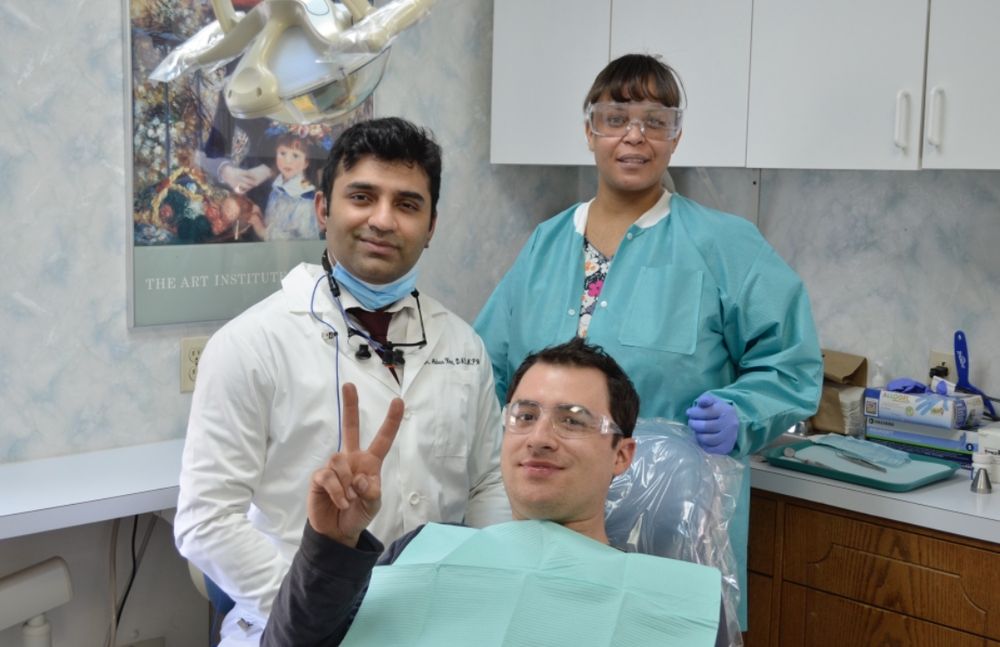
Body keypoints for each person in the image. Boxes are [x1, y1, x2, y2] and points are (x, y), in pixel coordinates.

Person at [473, 53, 823, 628]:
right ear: (590, 131)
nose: (634, 136)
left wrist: (742, 411)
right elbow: (486, 370)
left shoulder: (725, 246)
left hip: (671, 523)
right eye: (615, 119)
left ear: (675, 137)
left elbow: (791, 363)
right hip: (549, 522)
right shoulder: (545, 244)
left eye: (655, 121)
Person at [175, 117, 511, 647]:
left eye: (407, 204)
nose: (383, 219)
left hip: (433, 624)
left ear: (431, 226)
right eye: (361, 197)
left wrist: (491, 587)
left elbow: (487, 483)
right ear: (322, 209)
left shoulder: (463, 346)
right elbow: (206, 521)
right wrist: (315, 608)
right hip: (298, 628)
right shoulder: (250, 344)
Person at [261, 338, 727, 646]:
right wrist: (331, 545)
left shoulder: (676, 607)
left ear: (621, 455)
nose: (539, 438)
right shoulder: (425, 552)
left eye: (572, 420)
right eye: (525, 416)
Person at [256, 132, 323, 240]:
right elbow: (273, 221)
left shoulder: (305, 199)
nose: (287, 161)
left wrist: (263, 232)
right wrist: (259, 217)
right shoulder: (277, 187)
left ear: (306, 163)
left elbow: (302, 241)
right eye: (282, 153)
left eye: (295, 155)